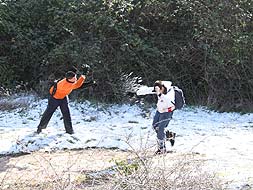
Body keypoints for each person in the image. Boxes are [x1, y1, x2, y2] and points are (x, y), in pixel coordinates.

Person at [152, 80, 175, 154]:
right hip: (159, 111)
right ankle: (169, 135)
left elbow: (173, 106)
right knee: (155, 126)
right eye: (156, 89)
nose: (157, 91)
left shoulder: (169, 94)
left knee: (160, 129)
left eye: (158, 89)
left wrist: (160, 94)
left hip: (166, 113)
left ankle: (162, 149)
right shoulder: (158, 92)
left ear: (162, 88)